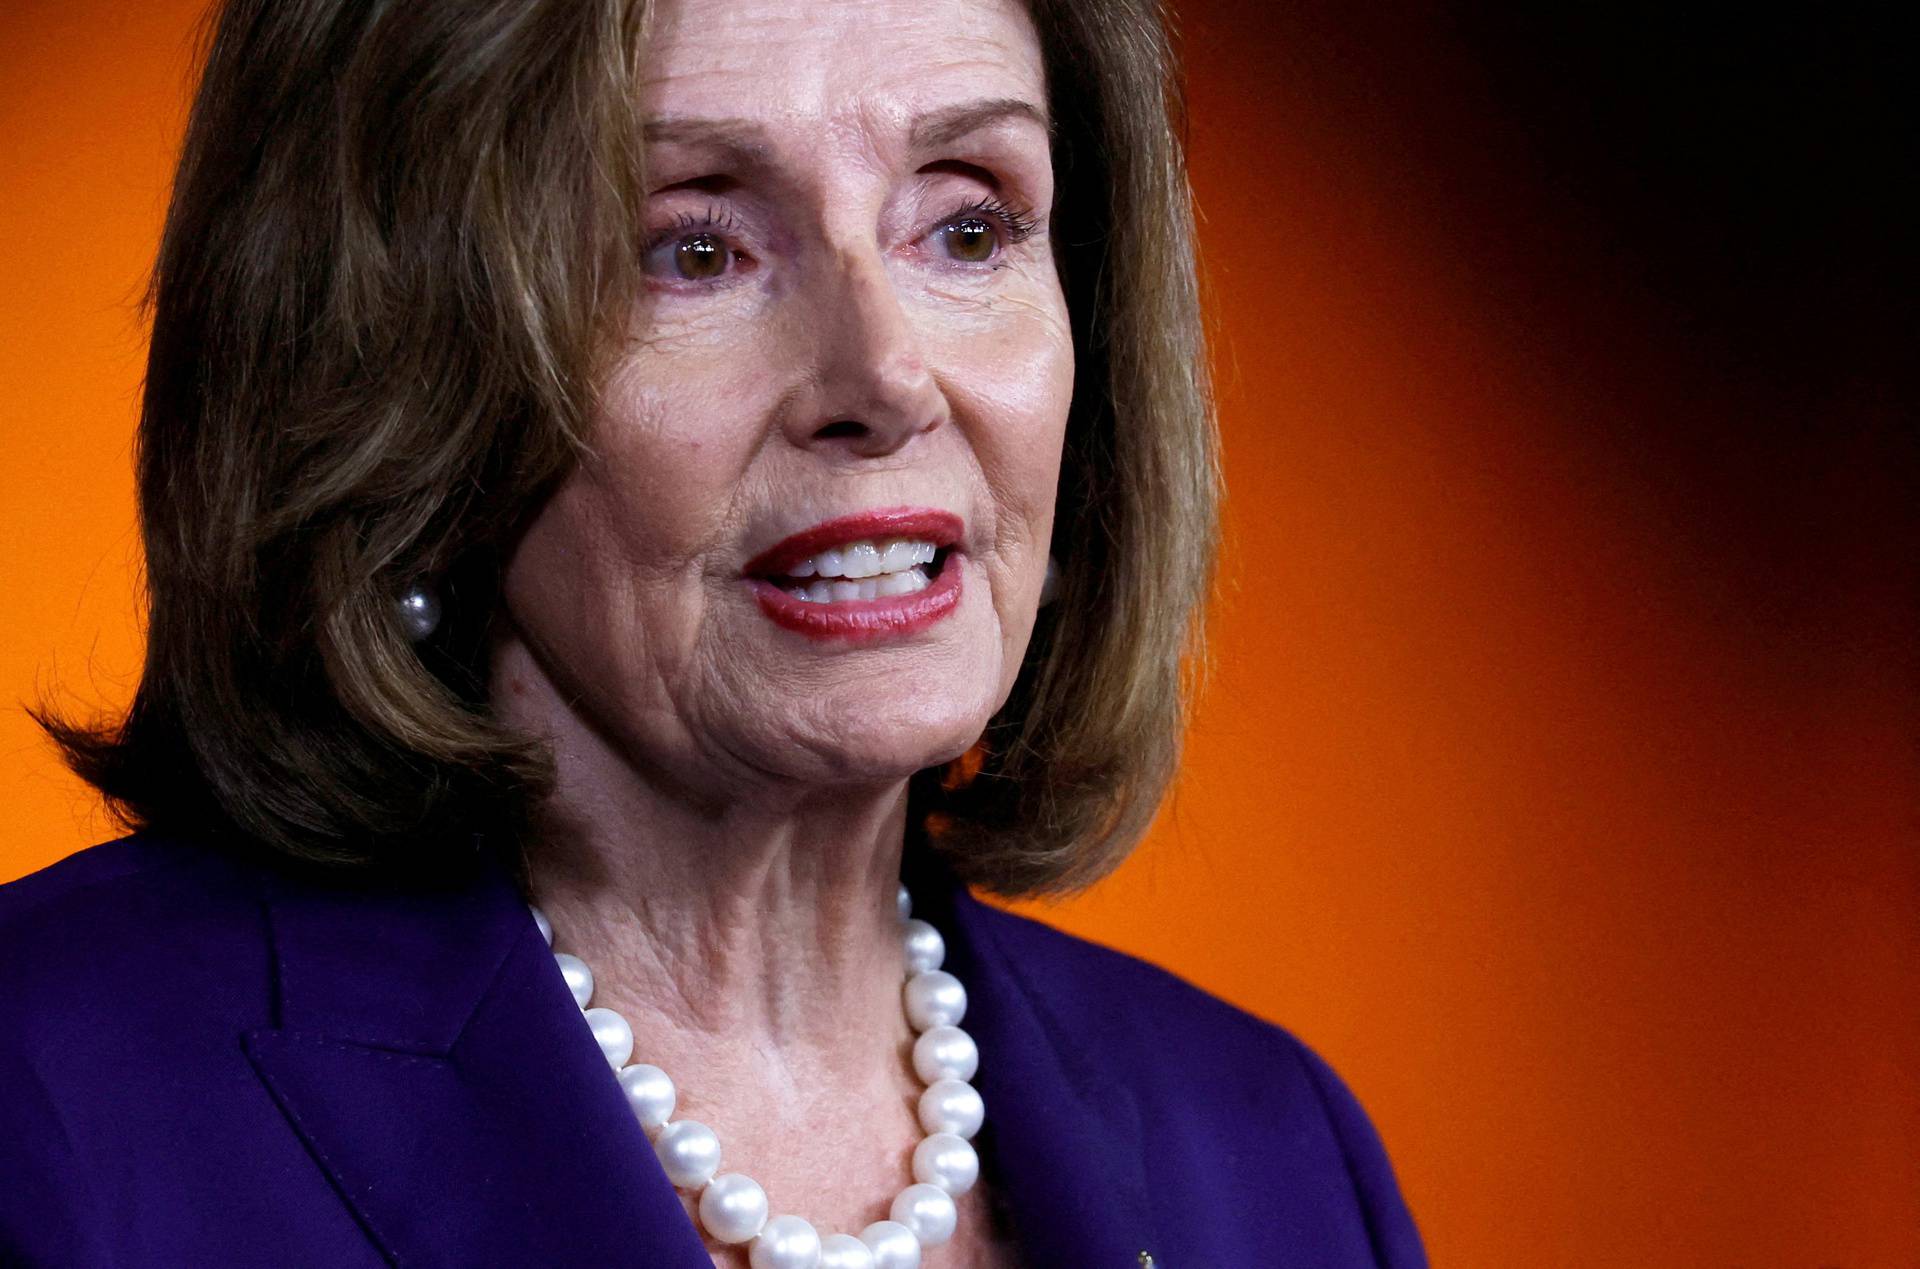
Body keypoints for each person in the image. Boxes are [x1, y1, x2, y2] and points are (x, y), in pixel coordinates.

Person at [0, 0, 1427, 1264]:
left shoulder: (1277, 1155)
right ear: (395, 367)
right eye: (694, 248)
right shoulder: (54, 1104)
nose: (881, 376)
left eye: (969, 224)